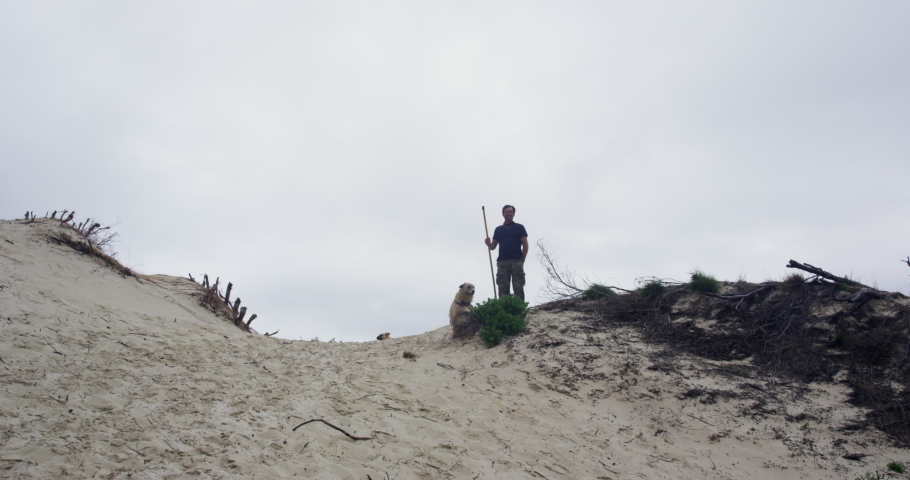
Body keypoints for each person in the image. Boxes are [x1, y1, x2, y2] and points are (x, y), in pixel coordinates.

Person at [484, 205, 529, 300]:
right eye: (506, 212)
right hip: (502, 262)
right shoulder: (498, 229)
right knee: (503, 287)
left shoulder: (519, 227)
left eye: (510, 212)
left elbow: (525, 244)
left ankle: (519, 308)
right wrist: (488, 244)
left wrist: (523, 258)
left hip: (517, 260)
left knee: (518, 286)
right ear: (503, 214)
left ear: (513, 214)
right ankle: (504, 308)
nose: (508, 213)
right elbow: (493, 247)